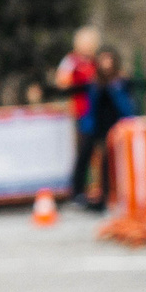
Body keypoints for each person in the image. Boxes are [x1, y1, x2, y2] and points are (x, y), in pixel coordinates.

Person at [83, 48, 138, 212]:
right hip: (99, 129)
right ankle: (104, 196)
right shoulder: (95, 83)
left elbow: (128, 103)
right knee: (102, 163)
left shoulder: (120, 82)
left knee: (121, 163)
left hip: (118, 127)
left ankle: (122, 196)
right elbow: (90, 105)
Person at [55, 26, 101, 200]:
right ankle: (78, 191)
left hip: (97, 113)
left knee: (97, 154)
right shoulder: (71, 60)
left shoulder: (96, 61)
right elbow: (62, 81)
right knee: (83, 151)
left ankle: (97, 189)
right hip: (81, 113)